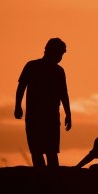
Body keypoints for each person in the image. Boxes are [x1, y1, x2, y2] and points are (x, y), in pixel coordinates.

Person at [14, 37, 72, 168]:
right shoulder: (31, 66)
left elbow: (64, 94)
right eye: (59, 54)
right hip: (34, 116)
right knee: (36, 151)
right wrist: (17, 106)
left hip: (51, 116)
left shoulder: (59, 71)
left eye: (61, 55)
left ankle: (52, 180)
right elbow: (21, 87)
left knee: (51, 152)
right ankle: (42, 179)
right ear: (49, 51)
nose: (60, 57)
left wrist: (68, 113)